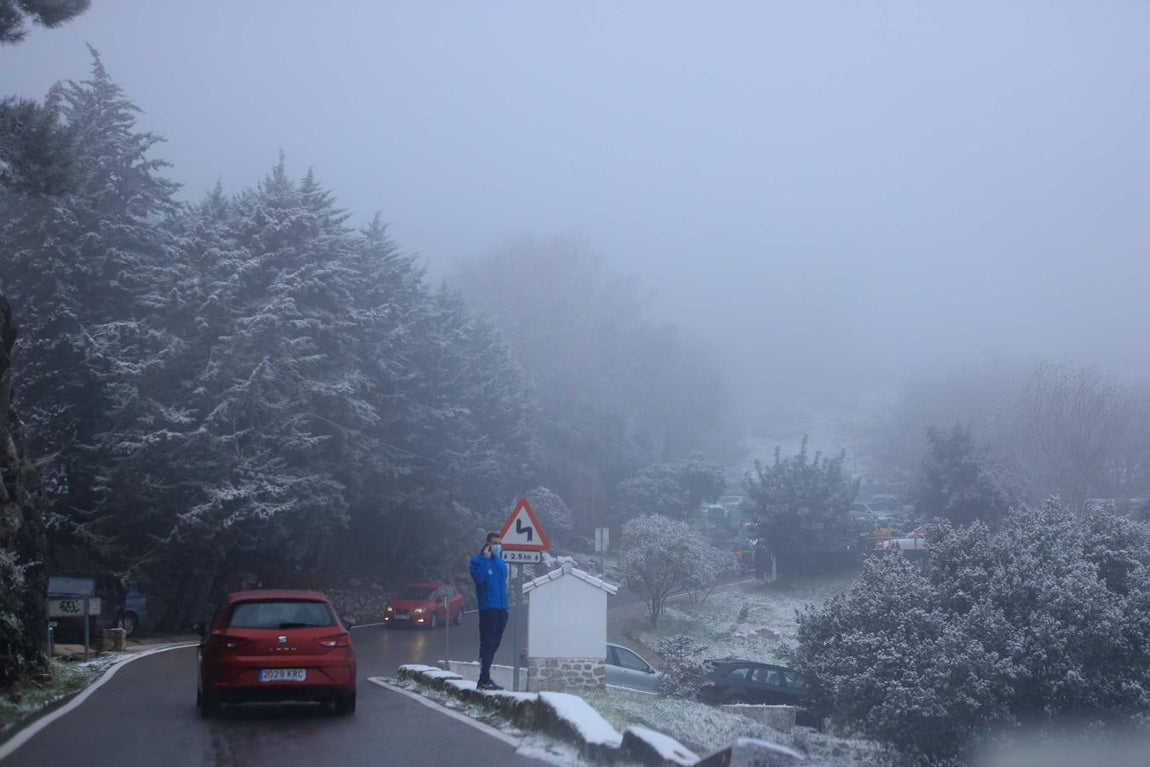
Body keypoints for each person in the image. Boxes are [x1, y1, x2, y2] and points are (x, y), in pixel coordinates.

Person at [469, 531, 509, 690]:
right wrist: (486, 560)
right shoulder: (477, 561)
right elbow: (479, 578)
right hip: (488, 608)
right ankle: (483, 678)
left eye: (500, 543)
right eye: (495, 543)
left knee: (495, 643)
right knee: (487, 641)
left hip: (502, 607)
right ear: (487, 543)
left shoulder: (500, 562)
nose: (498, 546)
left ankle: (485, 676)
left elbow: (503, 579)